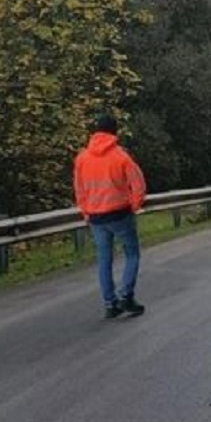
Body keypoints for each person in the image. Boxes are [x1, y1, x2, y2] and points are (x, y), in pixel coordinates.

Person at [74, 114, 147, 319]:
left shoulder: (82, 158)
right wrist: (134, 205)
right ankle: (126, 296)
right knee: (131, 254)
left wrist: (85, 211)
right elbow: (138, 184)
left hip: (96, 217)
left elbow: (79, 190)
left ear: (95, 132)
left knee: (104, 260)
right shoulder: (121, 157)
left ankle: (110, 303)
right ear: (115, 132)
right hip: (120, 213)